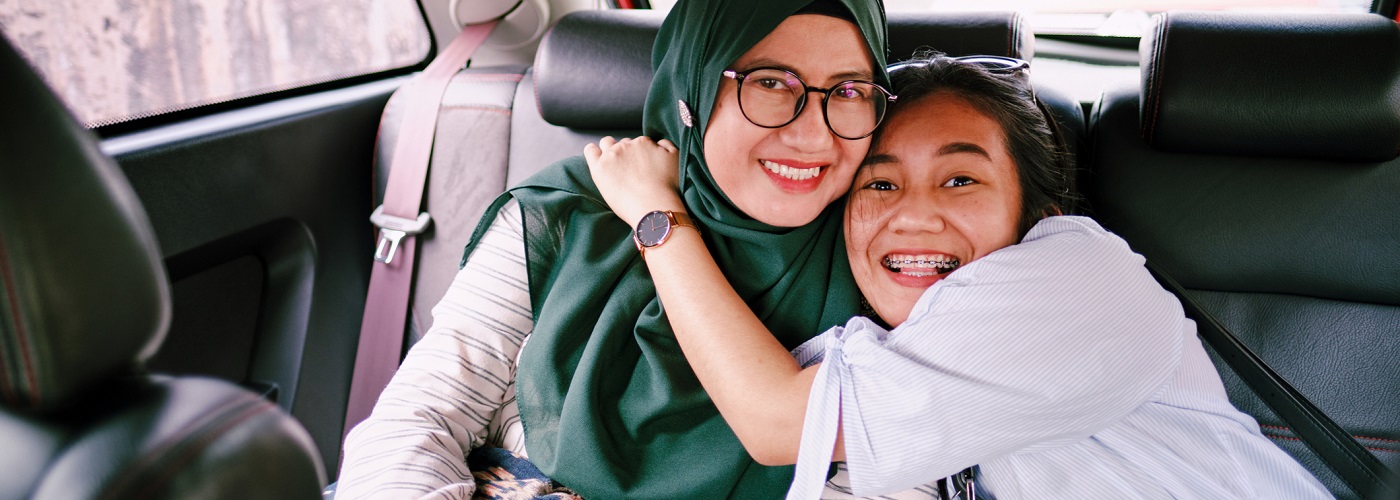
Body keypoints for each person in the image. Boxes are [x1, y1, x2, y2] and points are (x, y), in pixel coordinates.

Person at [583, 53, 1331, 499]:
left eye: (961, 180)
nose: (913, 216)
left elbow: (779, 423)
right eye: (879, 184)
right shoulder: (896, 343)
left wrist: (656, 215)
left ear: (1036, 211)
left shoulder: (1079, 279)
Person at [337, 0, 901, 498]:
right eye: (771, 83)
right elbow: (418, 419)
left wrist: (659, 217)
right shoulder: (563, 217)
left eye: (850, 90)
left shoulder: (892, 260)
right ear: (695, 87)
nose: (813, 135)